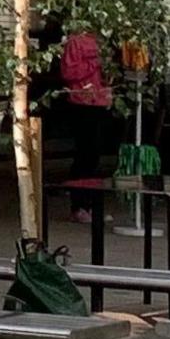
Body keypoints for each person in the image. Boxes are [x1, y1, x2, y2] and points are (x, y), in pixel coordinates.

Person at [50, 14, 119, 215]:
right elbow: (69, 73)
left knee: (94, 155)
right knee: (85, 154)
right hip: (82, 102)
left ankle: (90, 204)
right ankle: (79, 204)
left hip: (99, 101)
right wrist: (94, 63)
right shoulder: (76, 42)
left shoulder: (102, 43)